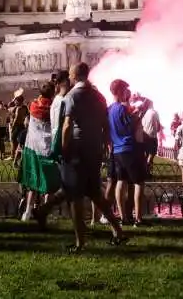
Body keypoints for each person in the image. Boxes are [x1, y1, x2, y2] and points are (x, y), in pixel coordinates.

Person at [36, 63, 127, 253]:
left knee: (75, 197)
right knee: (95, 193)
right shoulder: (99, 96)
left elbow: (68, 125)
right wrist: (104, 145)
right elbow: (105, 125)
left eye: (70, 73)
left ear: (75, 76)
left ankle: (80, 242)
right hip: (93, 151)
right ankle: (118, 231)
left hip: (76, 150)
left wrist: (63, 148)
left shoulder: (72, 97)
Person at [19, 82, 61, 221]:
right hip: (47, 150)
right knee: (49, 185)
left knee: (33, 184)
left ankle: (27, 212)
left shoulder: (33, 105)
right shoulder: (53, 107)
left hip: (32, 148)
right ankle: (45, 211)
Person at [108, 79, 146, 226]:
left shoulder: (110, 108)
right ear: (119, 91)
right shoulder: (121, 109)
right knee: (139, 182)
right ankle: (138, 218)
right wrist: (138, 116)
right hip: (129, 148)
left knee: (120, 181)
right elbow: (129, 127)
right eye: (124, 90)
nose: (126, 93)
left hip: (117, 150)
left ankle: (123, 217)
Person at [141, 99, 162, 175]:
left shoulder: (143, 113)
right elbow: (159, 126)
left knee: (145, 154)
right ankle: (148, 172)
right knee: (151, 154)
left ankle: (144, 171)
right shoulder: (154, 112)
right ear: (151, 104)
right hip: (152, 136)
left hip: (144, 136)